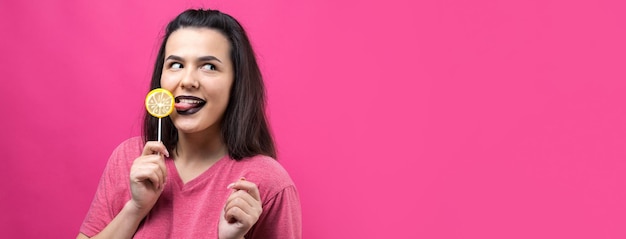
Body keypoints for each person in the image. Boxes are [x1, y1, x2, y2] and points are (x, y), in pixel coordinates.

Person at [77, 9, 302, 239]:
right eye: (175, 65)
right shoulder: (128, 159)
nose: (187, 81)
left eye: (209, 66)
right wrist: (134, 209)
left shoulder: (269, 184)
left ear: (236, 83)